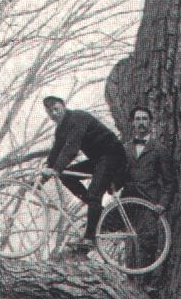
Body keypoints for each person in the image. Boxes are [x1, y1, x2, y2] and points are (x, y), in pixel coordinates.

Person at [39, 95, 130, 252]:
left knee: (94, 194)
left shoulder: (77, 117)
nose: (54, 114)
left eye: (56, 109)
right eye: (50, 112)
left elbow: (71, 148)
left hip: (112, 155)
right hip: (98, 159)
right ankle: (98, 211)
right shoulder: (61, 129)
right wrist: (42, 178)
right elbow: (56, 152)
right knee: (66, 175)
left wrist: (55, 169)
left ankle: (90, 238)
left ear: (63, 106)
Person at [122, 106, 176, 212]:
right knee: (105, 225)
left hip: (150, 204)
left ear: (150, 122)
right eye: (137, 119)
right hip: (127, 202)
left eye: (144, 119)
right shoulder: (124, 148)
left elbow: (170, 181)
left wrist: (162, 204)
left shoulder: (159, 149)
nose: (141, 122)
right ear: (133, 122)